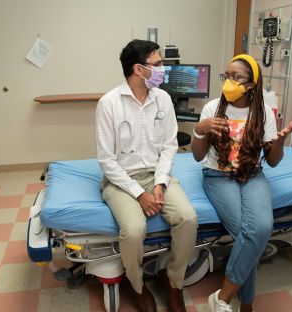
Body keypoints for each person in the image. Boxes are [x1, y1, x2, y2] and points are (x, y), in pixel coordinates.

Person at [95, 39, 198, 312]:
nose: (163, 69)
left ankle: (174, 281)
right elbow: (107, 161)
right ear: (139, 69)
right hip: (122, 180)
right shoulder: (109, 104)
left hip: (156, 174)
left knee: (187, 218)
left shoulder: (163, 99)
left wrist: (161, 183)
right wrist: (140, 195)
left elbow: (169, 146)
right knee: (133, 231)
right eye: (159, 64)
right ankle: (137, 285)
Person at [191, 54, 292, 312]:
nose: (228, 82)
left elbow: (272, 162)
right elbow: (197, 155)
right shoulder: (212, 108)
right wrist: (200, 129)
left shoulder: (263, 114)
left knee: (260, 226)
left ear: (251, 85)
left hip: (253, 174)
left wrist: (278, 142)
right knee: (248, 235)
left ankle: (222, 299)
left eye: (236, 77)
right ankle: (246, 304)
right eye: (226, 76)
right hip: (218, 175)